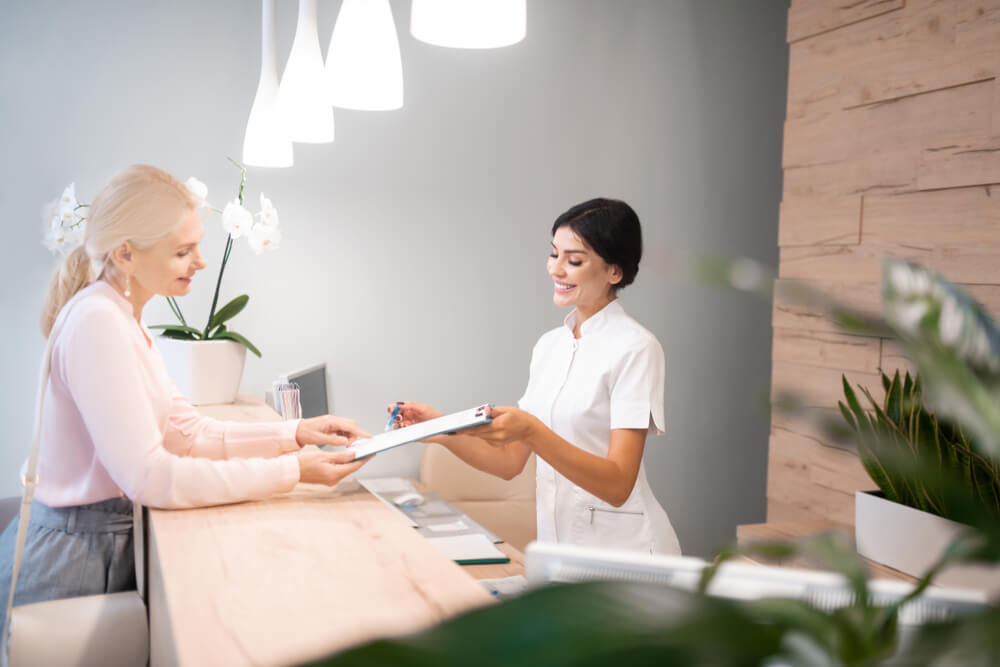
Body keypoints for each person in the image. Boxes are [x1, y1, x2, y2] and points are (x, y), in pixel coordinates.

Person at [0, 165, 369, 628]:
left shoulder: (121, 319)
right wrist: (292, 472)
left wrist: (294, 434)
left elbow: (188, 433)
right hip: (70, 564)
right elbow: (150, 476)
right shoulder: (98, 323)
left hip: (94, 545)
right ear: (126, 254)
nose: (200, 261)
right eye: (182, 251)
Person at [393, 198, 681, 555]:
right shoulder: (550, 346)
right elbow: (508, 462)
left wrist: (532, 430)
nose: (556, 269)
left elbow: (619, 484)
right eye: (554, 254)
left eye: (574, 260)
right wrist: (438, 428)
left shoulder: (636, 348)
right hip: (559, 551)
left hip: (625, 555)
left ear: (614, 272)